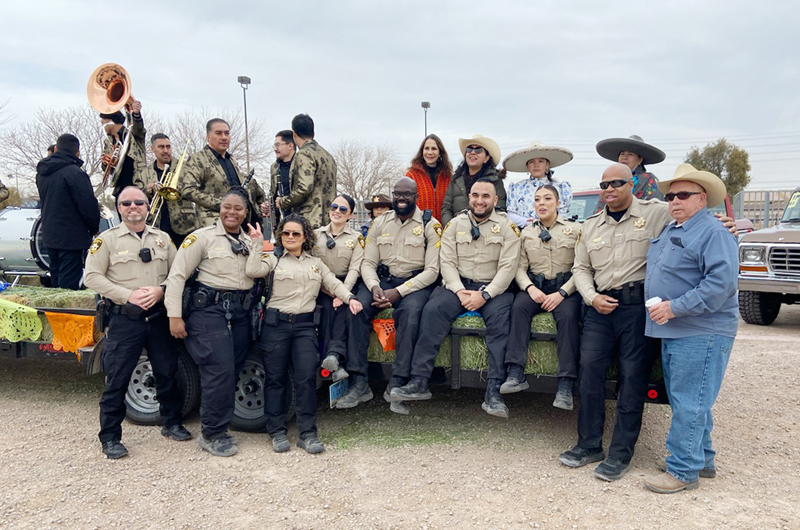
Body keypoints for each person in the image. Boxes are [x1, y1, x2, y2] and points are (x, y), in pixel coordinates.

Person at [643, 164, 739, 494]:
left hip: (700, 328)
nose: (674, 201)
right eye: (670, 195)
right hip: (677, 329)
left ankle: (683, 470)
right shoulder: (675, 229)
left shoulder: (714, 233)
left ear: (702, 199)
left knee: (690, 400)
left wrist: (674, 307)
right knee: (693, 397)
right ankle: (702, 459)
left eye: (683, 195)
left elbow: (720, 285)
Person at [391, 178, 521, 418]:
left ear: (495, 200)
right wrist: (459, 290)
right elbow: (447, 262)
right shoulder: (454, 225)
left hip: (493, 289)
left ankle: (494, 391)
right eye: (475, 195)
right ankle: (419, 381)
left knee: (501, 323)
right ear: (469, 198)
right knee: (432, 311)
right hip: (457, 285)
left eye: (485, 196)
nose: (479, 201)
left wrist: (485, 295)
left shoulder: (507, 228)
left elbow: (508, 268)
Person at [84, 186, 191, 459]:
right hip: (125, 319)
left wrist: (161, 290)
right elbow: (92, 278)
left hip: (157, 317)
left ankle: (171, 423)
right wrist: (127, 294)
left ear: (148, 207)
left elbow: (179, 273)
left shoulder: (163, 239)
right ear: (119, 208)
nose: (133, 207)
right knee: (118, 378)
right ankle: (110, 437)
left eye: (139, 202)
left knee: (166, 372)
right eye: (126, 203)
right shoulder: (106, 241)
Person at [245, 214, 363, 454]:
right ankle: (277, 431)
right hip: (275, 326)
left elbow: (332, 283)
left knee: (307, 380)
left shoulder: (315, 263)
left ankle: (307, 433)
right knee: (276, 379)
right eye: (286, 233)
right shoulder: (274, 259)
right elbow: (252, 270)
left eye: (295, 233)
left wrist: (349, 298)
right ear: (280, 235)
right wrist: (257, 243)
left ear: (305, 237)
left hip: (304, 328)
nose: (290, 237)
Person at [337, 177, 441, 415]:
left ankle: (398, 380)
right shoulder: (380, 223)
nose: (401, 199)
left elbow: (433, 272)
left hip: (415, 284)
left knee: (411, 314)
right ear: (392, 196)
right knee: (357, 307)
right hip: (383, 281)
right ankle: (359, 381)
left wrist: (399, 293)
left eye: (407, 194)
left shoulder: (430, 225)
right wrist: (374, 286)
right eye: (397, 194)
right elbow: (368, 262)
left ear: (416, 197)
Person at [165, 187, 256, 457]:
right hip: (208, 313)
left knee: (230, 370)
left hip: (240, 313)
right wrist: (174, 316)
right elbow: (177, 276)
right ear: (220, 208)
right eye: (227, 206)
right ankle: (212, 433)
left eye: (238, 208)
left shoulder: (250, 241)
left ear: (245, 212)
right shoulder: (200, 238)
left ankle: (220, 426)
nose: (232, 212)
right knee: (219, 371)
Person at [501, 185, 582, 410]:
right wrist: (529, 288)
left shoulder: (574, 230)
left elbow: (583, 268)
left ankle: (566, 384)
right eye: (537, 200)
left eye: (548, 199)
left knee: (568, 317)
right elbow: (518, 267)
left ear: (558, 203)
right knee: (518, 308)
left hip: (565, 289)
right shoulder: (526, 232)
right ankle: (515, 373)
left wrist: (562, 293)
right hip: (535, 287)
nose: (542, 204)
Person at [35, 133, 100, 290]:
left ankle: (53, 311)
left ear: (56, 149)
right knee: (68, 285)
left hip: (49, 233)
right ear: (77, 152)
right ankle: (64, 313)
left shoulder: (42, 173)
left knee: (56, 277)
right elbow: (88, 205)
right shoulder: (75, 174)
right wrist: (93, 228)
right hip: (72, 236)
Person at [180, 118, 268, 228]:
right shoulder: (197, 159)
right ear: (208, 137)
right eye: (218, 133)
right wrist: (222, 204)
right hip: (213, 225)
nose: (224, 137)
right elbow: (188, 190)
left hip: (240, 224)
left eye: (227, 133)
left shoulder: (231, 160)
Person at [312, 194, 364, 382]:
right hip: (322, 286)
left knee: (344, 311)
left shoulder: (357, 238)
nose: (337, 212)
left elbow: (355, 268)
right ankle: (335, 361)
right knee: (325, 310)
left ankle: (334, 358)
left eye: (343, 209)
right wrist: (329, 291)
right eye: (334, 207)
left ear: (350, 215)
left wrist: (343, 293)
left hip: (346, 284)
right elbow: (311, 264)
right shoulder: (315, 235)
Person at [133, 133, 199, 246]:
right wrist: (147, 191)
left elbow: (195, 189)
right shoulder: (144, 173)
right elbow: (136, 198)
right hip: (156, 226)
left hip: (184, 226)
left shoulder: (185, 167)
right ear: (152, 149)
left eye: (168, 147)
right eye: (161, 147)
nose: (166, 150)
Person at [273, 114, 337, 230]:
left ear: (294, 134)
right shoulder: (328, 156)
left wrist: (282, 202)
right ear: (313, 133)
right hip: (329, 221)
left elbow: (304, 188)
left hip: (310, 222)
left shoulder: (304, 154)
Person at [441, 135, 506, 226]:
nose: (472, 152)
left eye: (478, 150)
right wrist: (451, 229)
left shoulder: (495, 180)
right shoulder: (455, 179)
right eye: (469, 149)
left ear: (486, 158)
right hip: (457, 232)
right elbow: (446, 208)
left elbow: (500, 210)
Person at [503, 140, 574, 223]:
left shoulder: (559, 187)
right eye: (531, 162)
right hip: (525, 233)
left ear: (547, 165)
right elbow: (511, 215)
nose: (536, 165)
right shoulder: (517, 188)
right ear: (527, 166)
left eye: (540, 161)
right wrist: (528, 222)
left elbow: (562, 214)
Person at [99, 99, 146, 199]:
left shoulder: (132, 134)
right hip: (119, 188)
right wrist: (106, 163)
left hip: (138, 185)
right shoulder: (108, 142)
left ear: (109, 122)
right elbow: (106, 169)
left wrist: (136, 114)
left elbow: (139, 128)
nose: (102, 127)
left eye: (102, 123)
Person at [596, 135, 666, 201]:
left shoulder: (649, 179)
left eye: (630, 154)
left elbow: (655, 207)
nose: (624, 157)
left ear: (639, 160)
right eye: (622, 154)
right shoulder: (610, 179)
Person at [405, 134, 454, 221]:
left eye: (434, 149)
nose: (430, 152)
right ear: (422, 152)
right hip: (418, 229)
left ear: (440, 153)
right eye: (426, 148)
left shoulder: (448, 176)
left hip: (444, 229)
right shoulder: (411, 176)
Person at [267, 130, 297, 234]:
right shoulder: (275, 167)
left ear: (290, 146)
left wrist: (284, 201)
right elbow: (273, 192)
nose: (275, 149)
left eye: (278, 145)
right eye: (274, 146)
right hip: (282, 222)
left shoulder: (301, 163)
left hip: (299, 219)